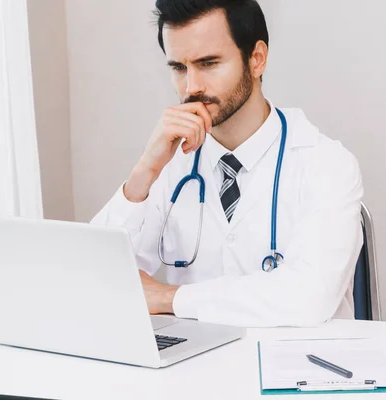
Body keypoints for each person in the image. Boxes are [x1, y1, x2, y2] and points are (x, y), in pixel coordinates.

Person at [91, 0, 363, 327]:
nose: (191, 88)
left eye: (208, 63)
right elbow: (94, 275)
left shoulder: (325, 163)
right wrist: (145, 170)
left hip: (299, 367)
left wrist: (167, 298)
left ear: (256, 59)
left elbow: (309, 298)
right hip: (194, 367)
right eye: (179, 68)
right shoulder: (171, 164)